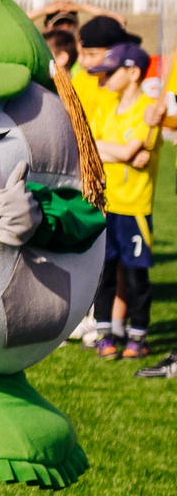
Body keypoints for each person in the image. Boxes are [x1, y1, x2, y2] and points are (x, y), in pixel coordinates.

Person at [86, 41, 156, 361]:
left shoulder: (148, 111)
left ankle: (138, 335)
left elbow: (134, 153)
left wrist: (114, 151)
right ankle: (107, 334)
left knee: (135, 275)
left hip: (135, 207)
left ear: (133, 73)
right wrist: (121, 152)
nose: (104, 78)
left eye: (110, 72)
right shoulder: (106, 108)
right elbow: (92, 147)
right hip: (107, 204)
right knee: (105, 272)